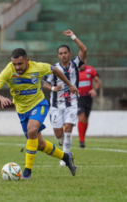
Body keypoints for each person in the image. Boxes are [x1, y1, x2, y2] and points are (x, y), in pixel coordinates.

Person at [0, 46, 78, 180]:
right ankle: (66, 157)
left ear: (27, 61)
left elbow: (54, 69)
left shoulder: (38, 67)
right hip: (22, 110)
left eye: (20, 64)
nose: (17, 67)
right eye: (14, 64)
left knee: (32, 131)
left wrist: (69, 84)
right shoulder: (8, 70)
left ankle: (27, 172)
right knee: (39, 144)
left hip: (39, 104)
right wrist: (0, 98)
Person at [43, 30, 87, 166]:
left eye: (65, 53)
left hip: (72, 103)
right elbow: (45, 84)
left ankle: (65, 156)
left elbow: (84, 49)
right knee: (58, 134)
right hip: (56, 105)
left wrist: (73, 36)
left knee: (68, 129)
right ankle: (60, 138)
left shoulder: (75, 64)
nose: (63, 55)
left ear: (69, 54)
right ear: (58, 55)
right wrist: (52, 89)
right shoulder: (54, 68)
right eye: (61, 53)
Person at [78, 60, 100, 148]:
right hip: (78, 97)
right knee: (81, 116)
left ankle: (83, 138)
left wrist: (94, 89)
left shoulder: (90, 70)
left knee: (86, 119)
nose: (82, 65)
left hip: (88, 98)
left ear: (86, 62)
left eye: (83, 63)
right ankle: (81, 140)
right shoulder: (74, 71)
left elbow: (98, 82)